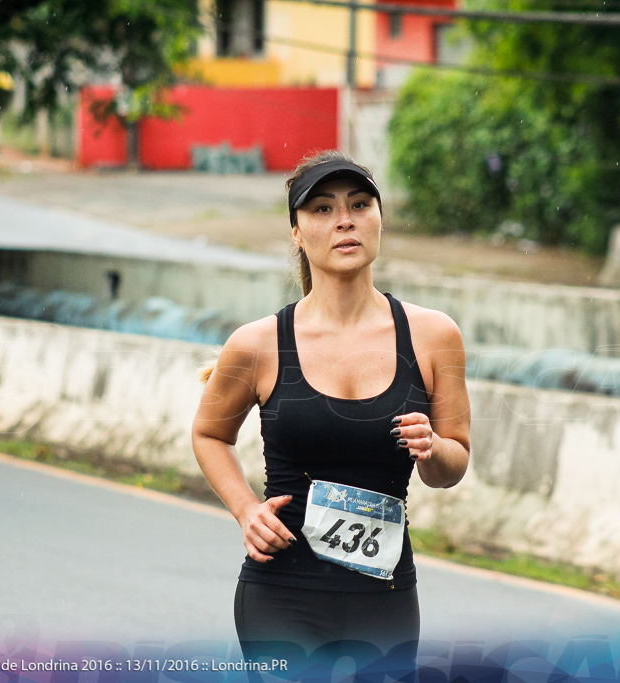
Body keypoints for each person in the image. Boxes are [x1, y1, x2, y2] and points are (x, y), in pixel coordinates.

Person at [192, 151, 471, 668]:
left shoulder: (434, 335)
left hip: (383, 597)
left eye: (360, 204)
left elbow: (452, 465)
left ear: (379, 219)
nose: (344, 220)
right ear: (296, 233)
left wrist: (431, 448)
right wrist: (245, 510)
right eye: (321, 209)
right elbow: (209, 434)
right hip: (281, 591)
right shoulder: (258, 344)